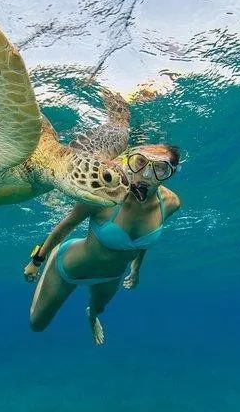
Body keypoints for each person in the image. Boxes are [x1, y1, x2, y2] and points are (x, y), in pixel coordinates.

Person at [23, 144, 182, 345]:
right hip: (70, 267)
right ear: (131, 162)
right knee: (37, 325)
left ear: (171, 173)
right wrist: (36, 261)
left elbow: (142, 242)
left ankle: (92, 317)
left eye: (160, 168)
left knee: (98, 310)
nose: (147, 174)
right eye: (140, 163)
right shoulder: (106, 192)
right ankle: (56, 255)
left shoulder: (170, 203)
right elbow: (66, 225)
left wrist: (135, 269)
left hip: (113, 276)